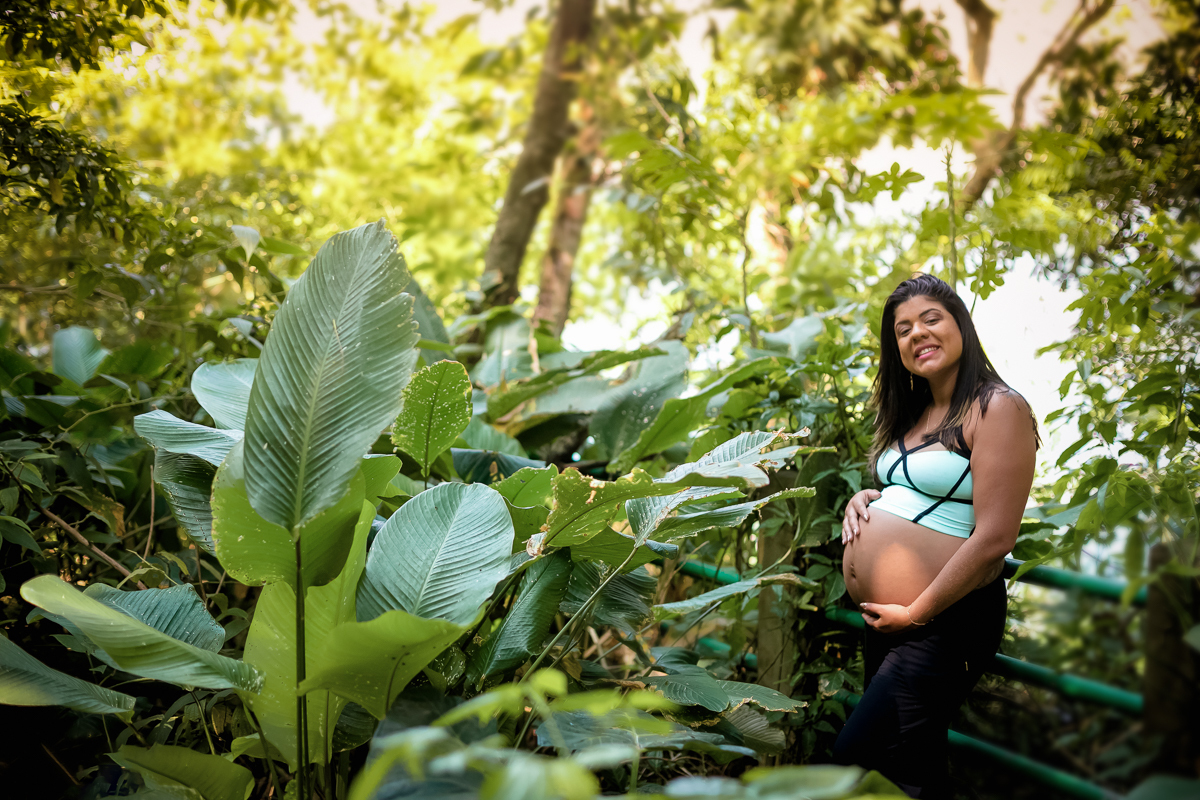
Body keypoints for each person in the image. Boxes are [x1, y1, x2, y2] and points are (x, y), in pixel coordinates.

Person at [831, 274, 1039, 799]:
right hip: (890, 616)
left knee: (855, 752)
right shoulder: (915, 411)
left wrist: (917, 611)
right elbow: (907, 489)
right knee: (906, 765)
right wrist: (864, 499)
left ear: (960, 326)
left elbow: (995, 538)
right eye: (902, 329)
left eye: (931, 319)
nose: (917, 334)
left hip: (946, 618)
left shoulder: (997, 407)